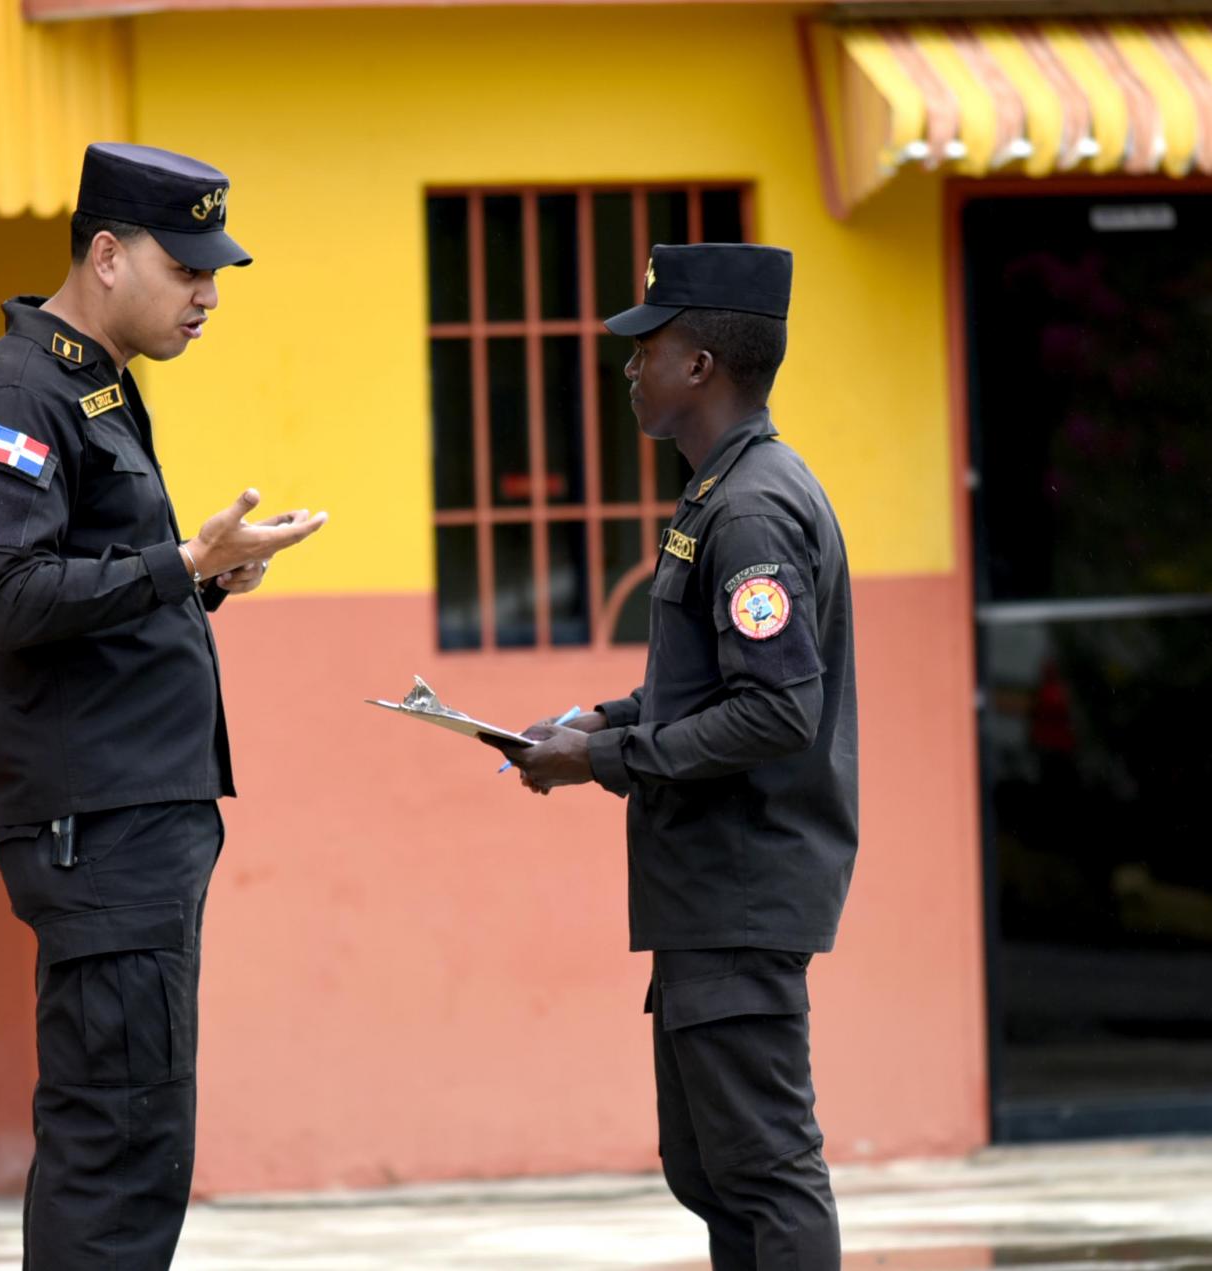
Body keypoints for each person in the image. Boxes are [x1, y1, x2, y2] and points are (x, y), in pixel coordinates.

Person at [0, 142, 326, 1269]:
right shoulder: (19, 395)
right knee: (117, 1140)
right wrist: (174, 563)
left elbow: (84, 590)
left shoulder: (91, 387)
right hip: (93, 826)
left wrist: (196, 573)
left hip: (131, 820)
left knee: (135, 1133)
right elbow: (8, 593)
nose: (206, 296)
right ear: (105, 255)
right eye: (187, 269)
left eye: (216, 275)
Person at [497, 242, 857, 1270]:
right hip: (707, 891)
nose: (627, 364)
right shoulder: (719, 495)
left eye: (645, 345)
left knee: (763, 1167)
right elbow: (709, 690)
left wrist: (605, 755)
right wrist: (590, 726)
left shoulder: (749, 509)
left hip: (741, 886)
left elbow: (777, 711)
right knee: (707, 1166)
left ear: (698, 364)